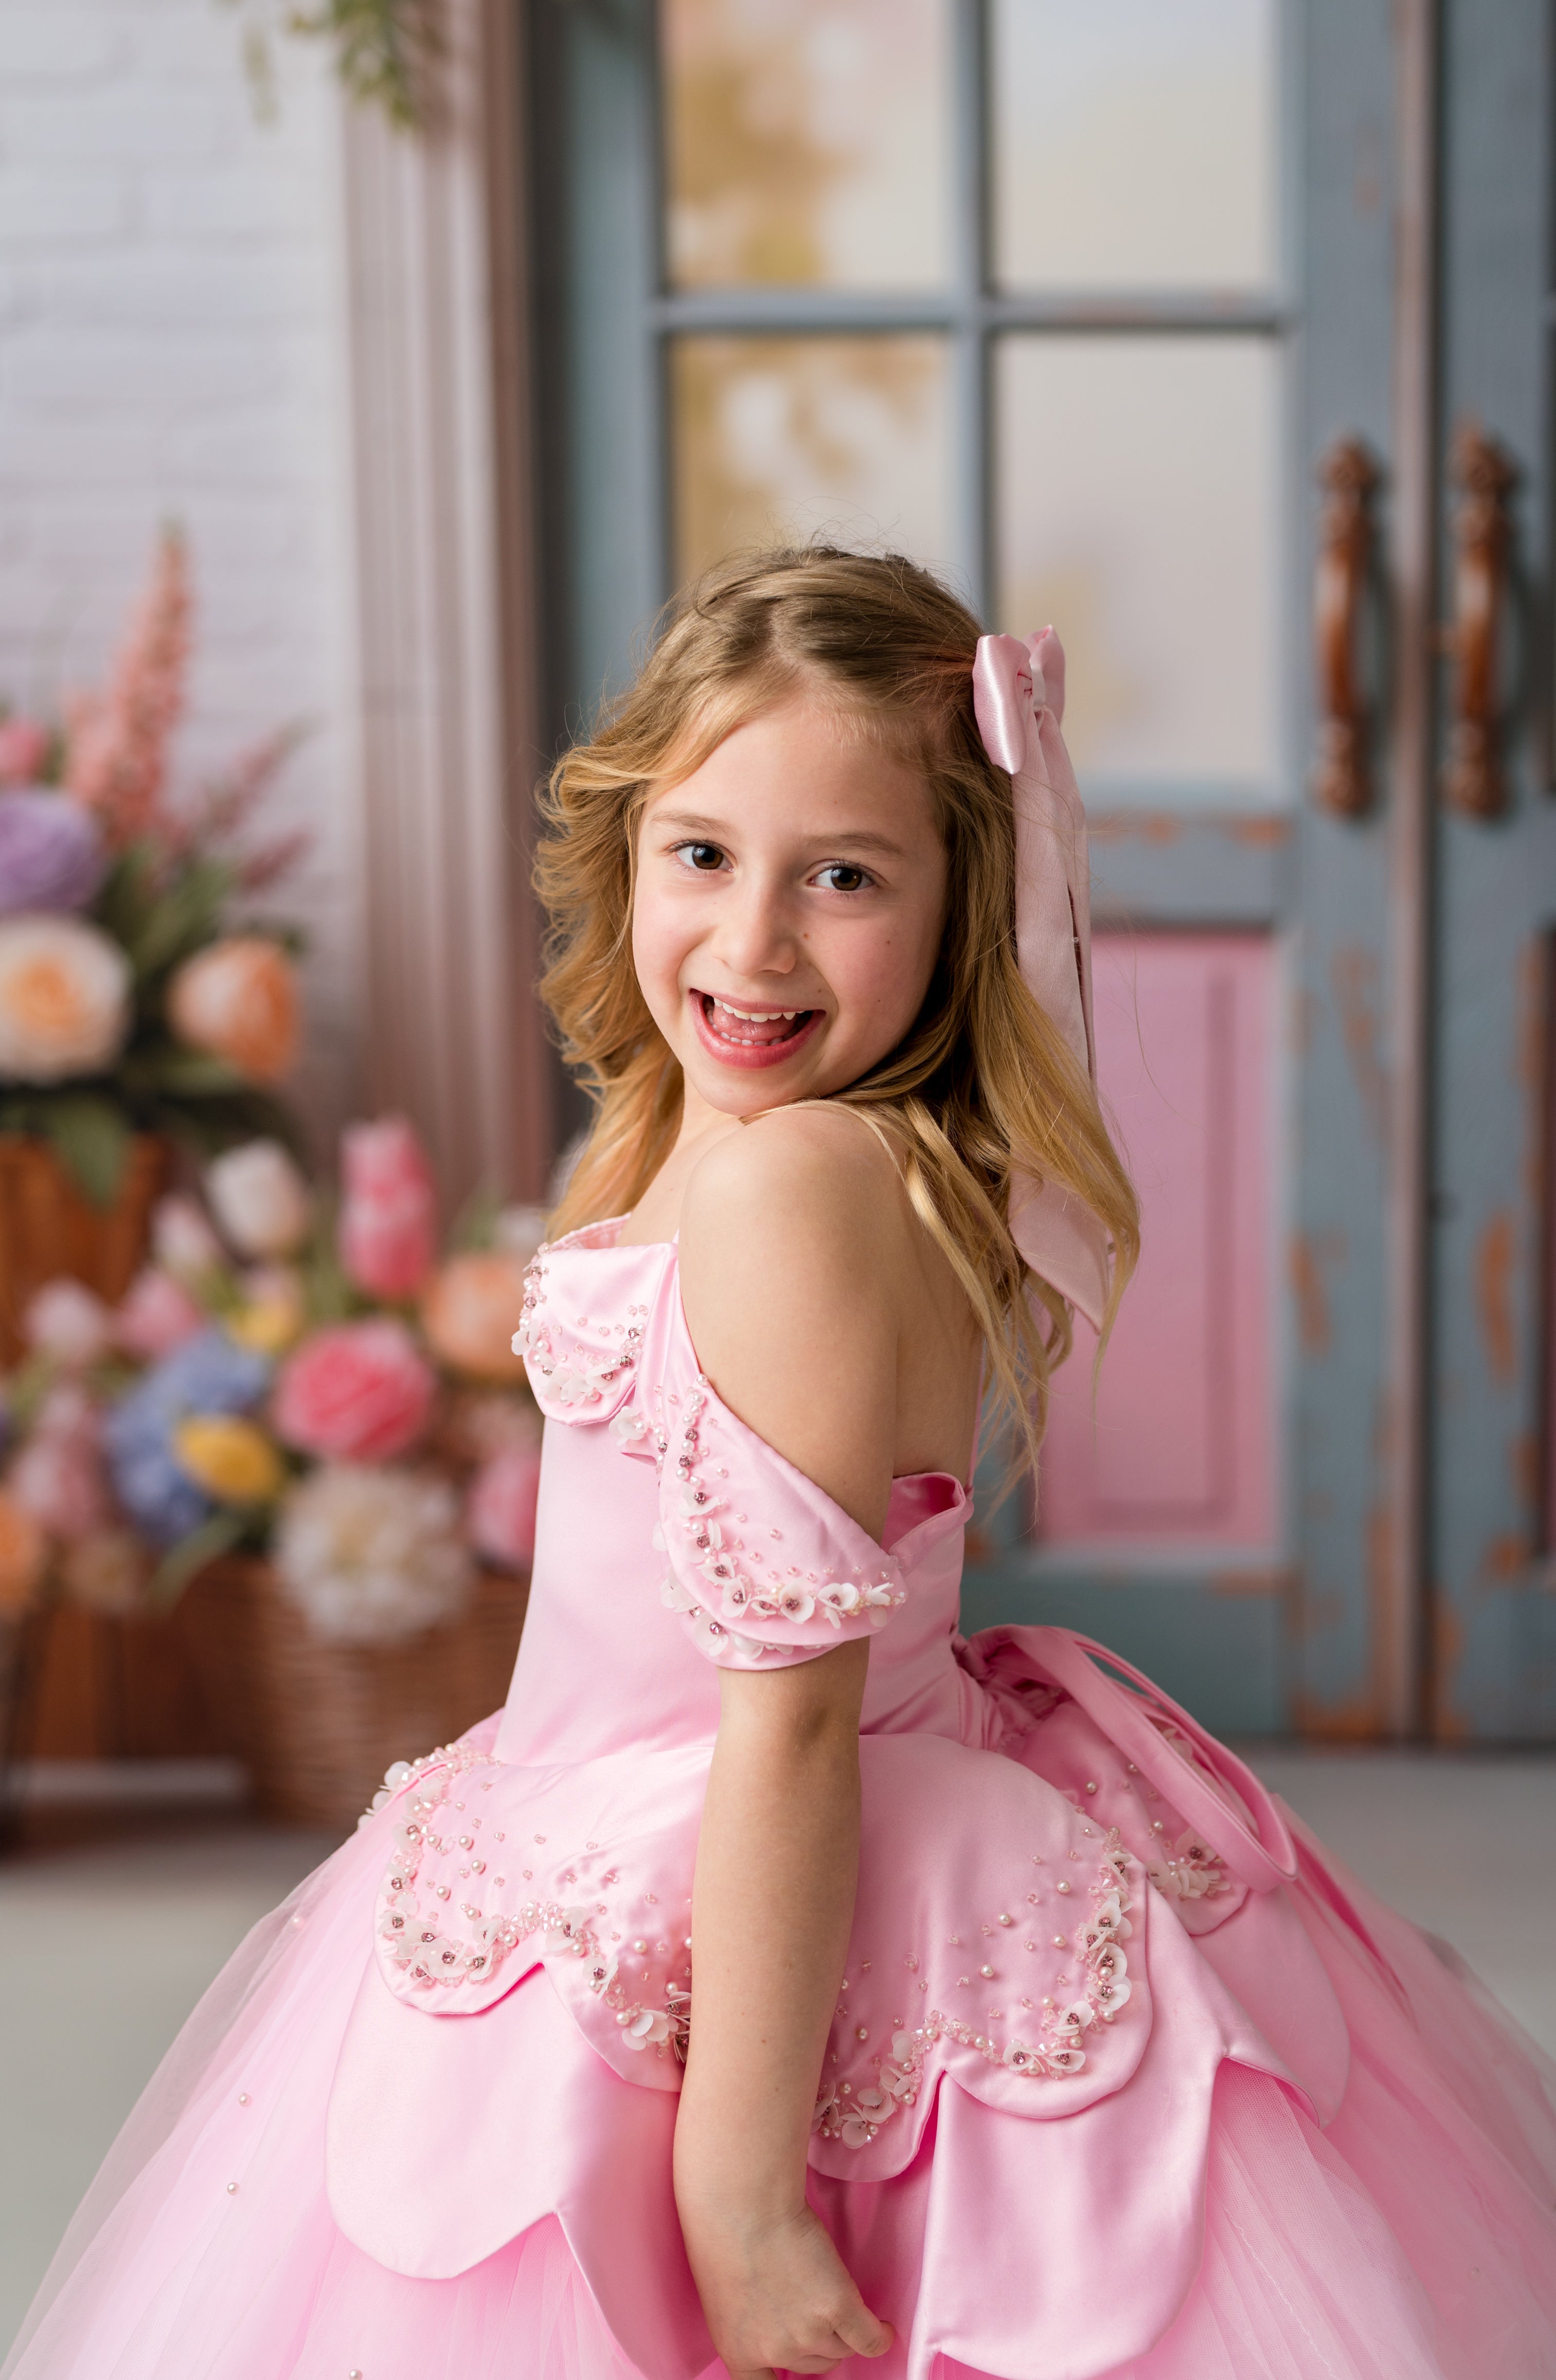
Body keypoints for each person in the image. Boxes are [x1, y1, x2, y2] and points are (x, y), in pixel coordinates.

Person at [8, 549, 1555, 2380]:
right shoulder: (738, 1143)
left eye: (842, 876)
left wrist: (736, 2190)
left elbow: (793, 1721)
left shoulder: (795, 1182)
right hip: (645, 1804)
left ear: (959, 907)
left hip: (755, 1836)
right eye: (704, 854)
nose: (749, 944)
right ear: (630, 842)